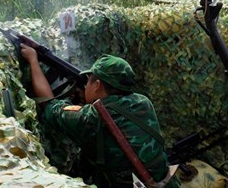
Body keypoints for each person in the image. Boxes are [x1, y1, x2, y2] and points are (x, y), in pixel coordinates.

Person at [21, 45, 180, 188]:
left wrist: (33, 60)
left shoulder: (90, 118)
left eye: (88, 81)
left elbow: (49, 105)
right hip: (164, 183)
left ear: (97, 85)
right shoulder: (144, 103)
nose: (85, 85)